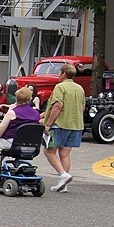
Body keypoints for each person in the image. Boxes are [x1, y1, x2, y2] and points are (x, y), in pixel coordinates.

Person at [42, 63, 85, 192]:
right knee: (65, 153)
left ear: (64, 74)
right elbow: (82, 108)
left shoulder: (60, 87)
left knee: (49, 151)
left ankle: (62, 174)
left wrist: (48, 124)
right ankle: (63, 184)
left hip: (59, 124)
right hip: (76, 125)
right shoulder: (80, 88)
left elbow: (57, 106)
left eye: (60, 73)